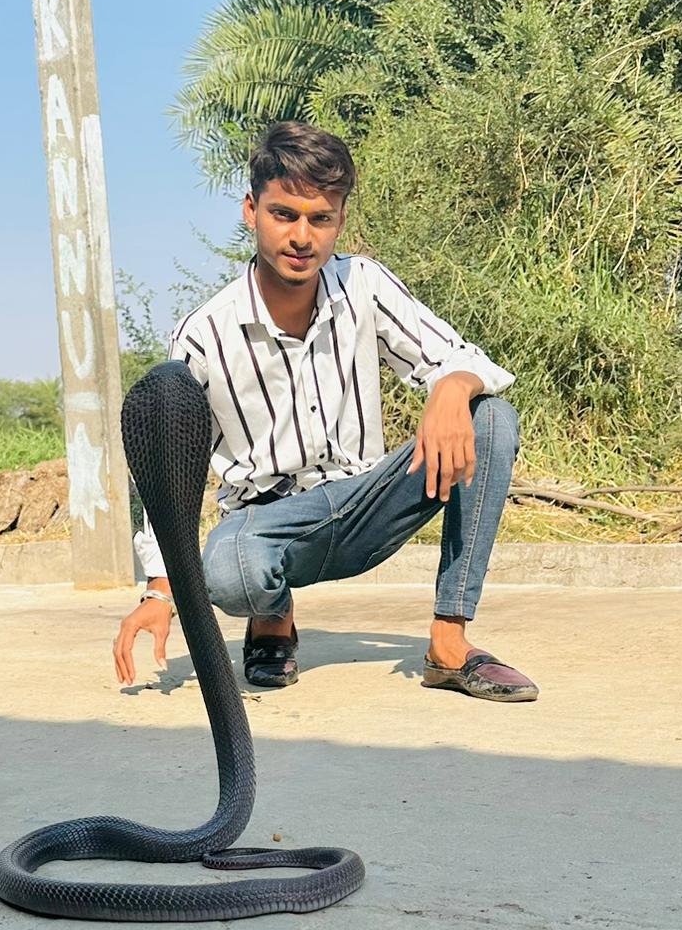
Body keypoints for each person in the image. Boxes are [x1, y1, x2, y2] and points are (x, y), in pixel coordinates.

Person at [112, 121, 537, 703]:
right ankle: (272, 618)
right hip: (270, 529)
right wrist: (160, 589)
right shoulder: (204, 334)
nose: (301, 237)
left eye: (321, 219)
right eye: (284, 214)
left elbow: (463, 358)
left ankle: (449, 643)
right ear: (251, 210)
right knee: (228, 568)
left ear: (339, 221)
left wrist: (450, 388)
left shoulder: (361, 283)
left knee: (489, 418)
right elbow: (167, 468)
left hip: (365, 504)